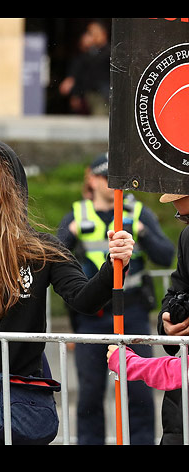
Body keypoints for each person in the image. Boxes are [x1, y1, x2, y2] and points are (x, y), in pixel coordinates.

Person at [0, 138, 134, 445]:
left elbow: (85, 299)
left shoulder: (41, 250)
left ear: (9, 180)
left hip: (20, 411)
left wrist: (116, 264)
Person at [57, 153, 175, 445]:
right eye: (103, 177)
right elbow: (53, 258)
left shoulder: (137, 213)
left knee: (139, 390)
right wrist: (69, 236)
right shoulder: (77, 215)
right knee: (90, 392)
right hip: (92, 316)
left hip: (132, 311)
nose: (111, 184)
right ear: (92, 180)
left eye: (115, 177)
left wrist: (143, 233)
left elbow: (166, 255)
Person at [155, 193, 189, 444]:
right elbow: (176, 292)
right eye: (183, 218)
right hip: (182, 408)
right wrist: (167, 324)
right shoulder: (188, 237)